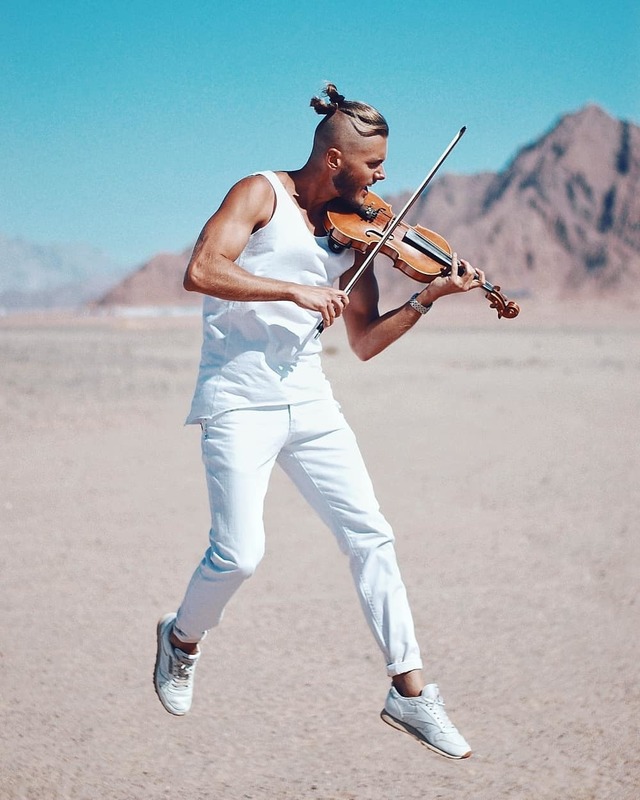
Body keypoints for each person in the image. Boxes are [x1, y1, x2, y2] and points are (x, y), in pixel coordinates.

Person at [154, 83, 485, 760]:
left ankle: (410, 691)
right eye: (373, 164)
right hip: (238, 399)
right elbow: (201, 270)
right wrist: (294, 289)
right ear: (335, 159)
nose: (383, 178)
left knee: (371, 535)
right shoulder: (260, 194)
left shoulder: (354, 234)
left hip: (309, 400)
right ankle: (181, 639)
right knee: (239, 555)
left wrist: (428, 295)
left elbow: (363, 341)